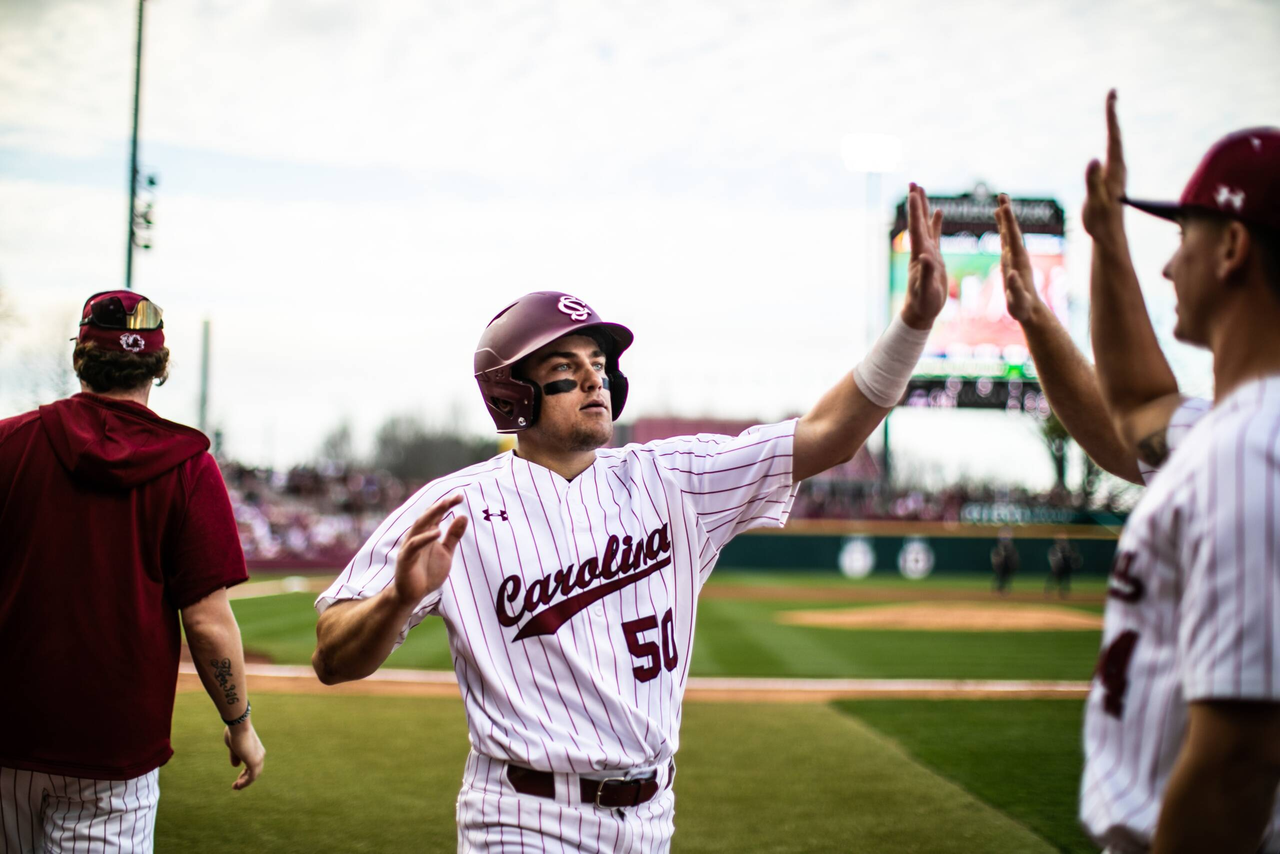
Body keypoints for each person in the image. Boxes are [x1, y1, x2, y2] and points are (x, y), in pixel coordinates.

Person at [311, 185, 950, 851]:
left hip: (650, 818)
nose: (595, 380)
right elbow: (331, 656)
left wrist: (912, 325)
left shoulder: (675, 479)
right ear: (513, 394)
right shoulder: (453, 509)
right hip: (521, 817)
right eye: (565, 370)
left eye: (599, 365)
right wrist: (396, 600)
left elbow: (827, 436)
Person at [1073, 93, 1280, 854]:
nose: (1169, 263)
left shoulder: (1251, 453)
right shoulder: (1235, 432)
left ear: (1232, 248)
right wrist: (1107, 240)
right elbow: (1136, 403)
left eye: (1184, 235)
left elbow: (1238, 763)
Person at [0, 291, 265, 852]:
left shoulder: (9, 443)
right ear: (159, 367)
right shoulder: (189, 466)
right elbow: (207, 622)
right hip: (115, 754)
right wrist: (239, 723)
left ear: (80, 358)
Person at [1045, 533, 1081, 598]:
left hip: (1064, 568)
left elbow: (1071, 558)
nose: (1061, 541)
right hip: (1057, 568)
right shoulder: (1054, 549)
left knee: (1065, 580)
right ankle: (1048, 592)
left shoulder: (1067, 549)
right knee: (1053, 579)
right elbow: (1052, 558)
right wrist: (1054, 566)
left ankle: (1063, 592)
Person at [990, 527, 1020, 595]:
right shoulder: (999, 549)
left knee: (1005, 576)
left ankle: (1001, 588)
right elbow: (996, 556)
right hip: (1001, 565)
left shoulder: (1009, 549)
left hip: (1006, 564)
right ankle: (999, 588)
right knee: (1001, 576)